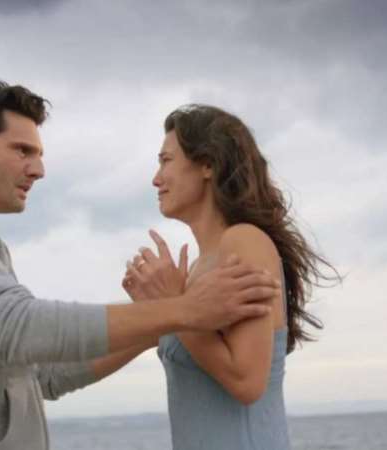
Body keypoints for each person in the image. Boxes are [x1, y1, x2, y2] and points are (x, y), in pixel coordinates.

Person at [0, 81, 281, 450]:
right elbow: (16, 328)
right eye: (22, 150)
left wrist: (158, 319)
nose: (39, 169)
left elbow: (41, 376)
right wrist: (180, 310)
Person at [122, 104, 338, 449]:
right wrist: (156, 310)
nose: (156, 178)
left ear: (207, 164)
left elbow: (247, 381)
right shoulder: (197, 270)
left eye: (166, 161)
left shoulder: (244, 241)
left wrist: (174, 304)